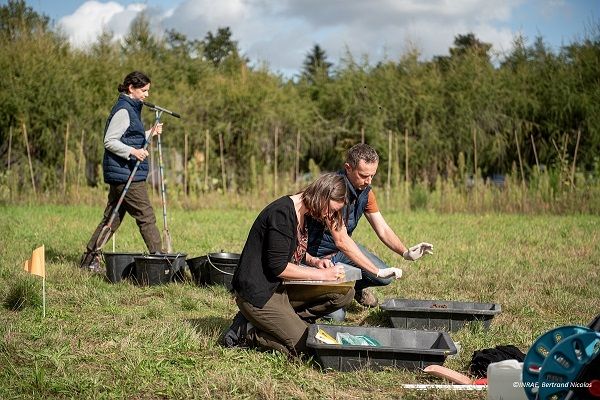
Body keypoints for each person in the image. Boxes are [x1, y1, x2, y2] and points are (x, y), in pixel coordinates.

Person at [221, 172, 376, 357]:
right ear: (321, 195)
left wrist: (314, 261)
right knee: (308, 347)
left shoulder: (306, 213)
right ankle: (247, 333)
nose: (329, 215)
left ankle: (278, 323)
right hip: (258, 294)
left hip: (281, 288)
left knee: (344, 293)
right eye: (331, 209)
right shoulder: (282, 214)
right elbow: (278, 267)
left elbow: (290, 249)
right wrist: (322, 276)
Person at [307, 143, 433, 314]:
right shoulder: (331, 191)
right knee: (336, 317)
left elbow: (382, 228)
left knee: (385, 280)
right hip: (316, 259)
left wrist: (406, 253)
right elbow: (342, 241)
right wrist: (377, 271)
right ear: (348, 168)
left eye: (372, 176)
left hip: (340, 253)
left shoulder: (365, 192)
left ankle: (354, 287)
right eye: (363, 175)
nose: (369, 181)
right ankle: (323, 291)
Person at [80, 71, 163, 270]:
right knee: (146, 215)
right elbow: (109, 141)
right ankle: (160, 261)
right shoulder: (124, 110)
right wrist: (133, 152)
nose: (146, 95)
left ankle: (89, 260)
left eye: (148, 91)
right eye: (144, 90)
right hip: (125, 175)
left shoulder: (131, 109)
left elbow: (129, 136)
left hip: (123, 173)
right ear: (131, 88)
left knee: (112, 218)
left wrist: (148, 133)